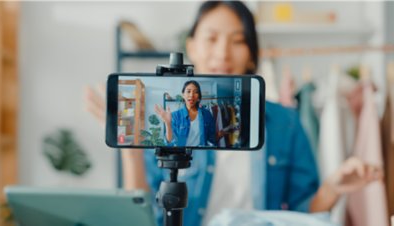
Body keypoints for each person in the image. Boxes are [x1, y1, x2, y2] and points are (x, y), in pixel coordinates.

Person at [85, 1, 383, 226]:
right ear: (192, 47)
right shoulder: (174, 122)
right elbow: (145, 216)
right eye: (212, 38)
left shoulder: (285, 123)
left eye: (238, 41)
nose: (223, 52)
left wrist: (333, 188)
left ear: (252, 53)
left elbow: (299, 215)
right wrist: (131, 151)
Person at [154, 80, 216, 147]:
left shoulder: (207, 114)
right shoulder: (175, 116)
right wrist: (168, 123)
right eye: (188, 91)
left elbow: (211, 139)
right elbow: (169, 142)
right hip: (181, 155)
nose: (191, 95)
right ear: (183, 95)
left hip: (201, 154)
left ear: (198, 96)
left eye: (195, 92)